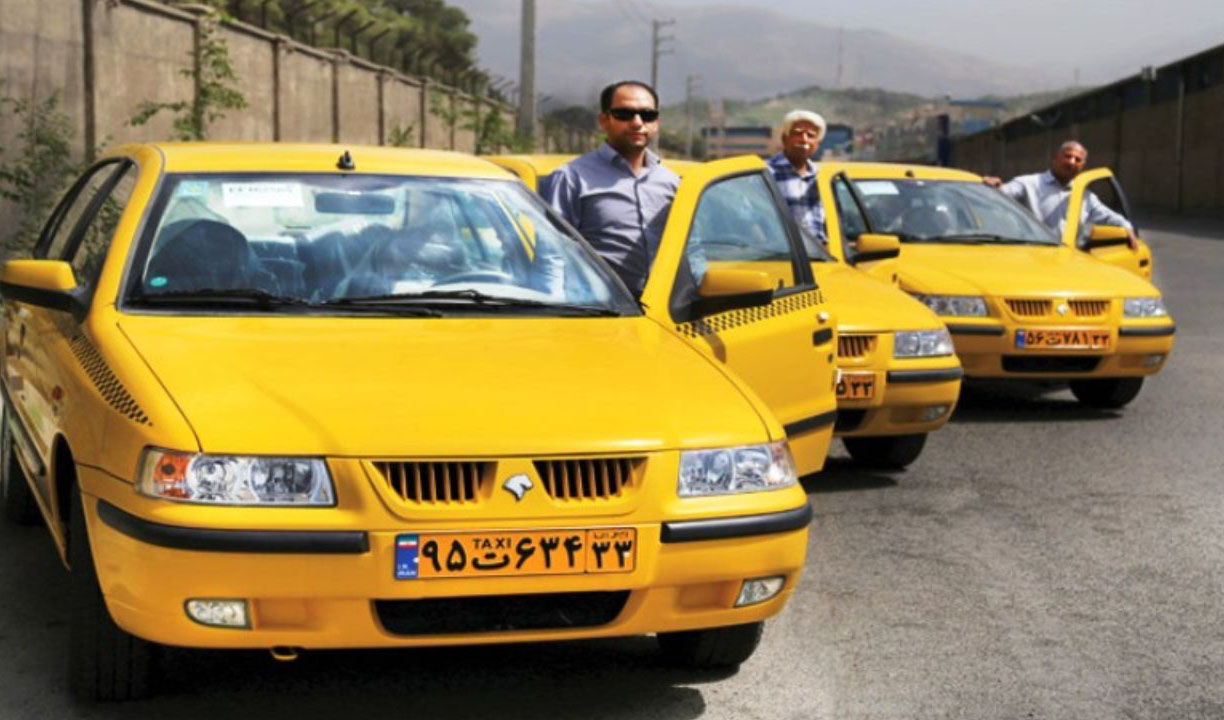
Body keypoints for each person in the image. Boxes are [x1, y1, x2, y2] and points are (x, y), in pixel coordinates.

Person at [544, 80, 680, 296]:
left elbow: (690, 251)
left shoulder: (672, 182)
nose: (637, 123)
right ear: (604, 121)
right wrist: (555, 307)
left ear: (657, 122)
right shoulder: (572, 178)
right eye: (624, 114)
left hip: (663, 308)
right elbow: (552, 251)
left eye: (647, 115)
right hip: (597, 307)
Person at [985, 140, 1137, 249]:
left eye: (1078, 159)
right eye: (1067, 156)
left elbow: (1109, 217)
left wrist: (1127, 228)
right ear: (1056, 158)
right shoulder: (1028, 184)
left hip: (1070, 262)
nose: (1071, 162)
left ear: (1082, 166)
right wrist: (995, 186)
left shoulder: (1086, 198)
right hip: (1032, 257)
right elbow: (1000, 194)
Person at [766, 109, 828, 247]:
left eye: (810, 135)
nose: (804, 139)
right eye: (797, 133)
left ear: (817, 143)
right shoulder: (766, 173)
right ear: (784, 138)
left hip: (819, 254)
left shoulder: (821, 176)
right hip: (781, 254)